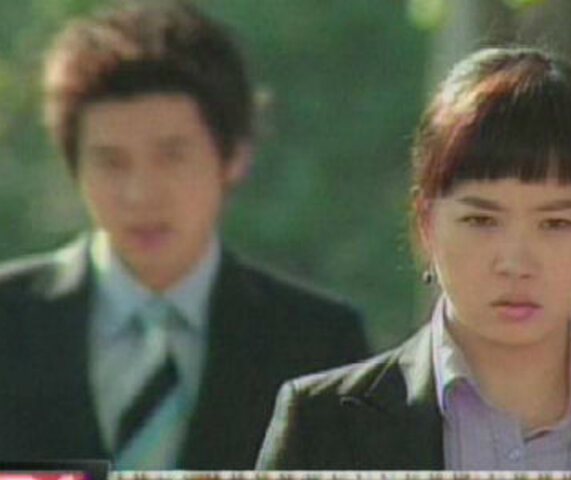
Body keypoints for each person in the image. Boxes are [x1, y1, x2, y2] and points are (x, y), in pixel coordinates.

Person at [0, 0, 369, 470]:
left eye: (172, 156)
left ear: (234, 157)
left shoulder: (319, 345)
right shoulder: (9, 321)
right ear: (74, 166)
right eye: (111, 162)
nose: (140, 194)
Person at [256, 47, 571, 470]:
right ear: (426, 223)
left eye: (555, 224)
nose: (515, 263)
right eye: (481, 220)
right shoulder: (323, 426)